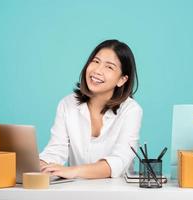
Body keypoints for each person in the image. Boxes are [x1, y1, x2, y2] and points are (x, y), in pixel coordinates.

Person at [39, 39, 143, 179]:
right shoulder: (67, 104)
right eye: (95, 61)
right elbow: (55, 150)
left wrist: (73, 171)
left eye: (109, 67)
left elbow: (119, 161)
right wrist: (39, 165)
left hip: (117, 192)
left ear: (122, 80)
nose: (97, 70)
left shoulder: (131, 110)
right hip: (77, 191)